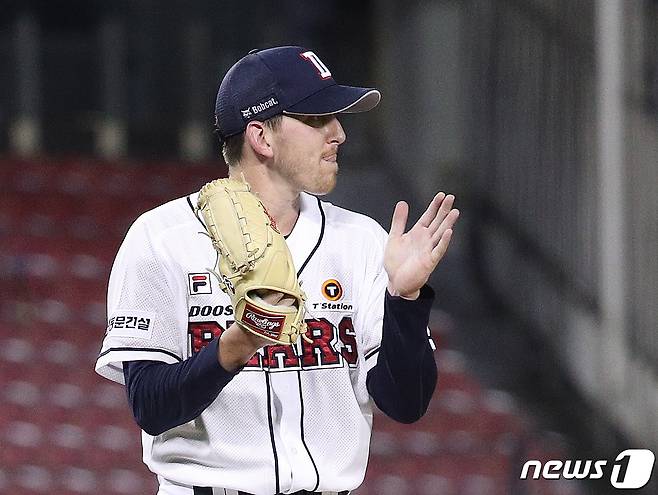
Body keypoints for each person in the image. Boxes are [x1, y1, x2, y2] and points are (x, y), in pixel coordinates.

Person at [95, 46, 459, 495]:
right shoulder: (161, 239)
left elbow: (405, 404)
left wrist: (404, 301)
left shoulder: (363, 241)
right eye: (316, 118)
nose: (340, 133)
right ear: (261, 138)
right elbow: (150, 405)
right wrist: (235, 347)